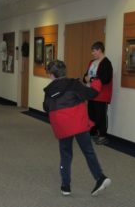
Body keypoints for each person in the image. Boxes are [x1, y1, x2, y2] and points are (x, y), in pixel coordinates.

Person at [43, 60, 111, 196]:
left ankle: (65, 186)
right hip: (78, 123)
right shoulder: (73, 84)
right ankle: (100, 177)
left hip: (62, 126)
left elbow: (46, 107)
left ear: (52, 75)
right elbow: (91, 94)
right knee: (88, 151)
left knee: (66, 154)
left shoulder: (49, 90)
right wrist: (96, 82)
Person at [83, 41, 113, 145]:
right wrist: (87, 79)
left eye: (94, 51)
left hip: (101, 95)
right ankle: (93, 133)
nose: (92, 53)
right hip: (91, 94)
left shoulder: (106, 63)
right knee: (91, 115)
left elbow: (105, 79)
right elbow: (85, 76)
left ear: (100, 50)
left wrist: (90, 79)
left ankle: (103, 135)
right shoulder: (92, 62)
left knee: (101, 116)